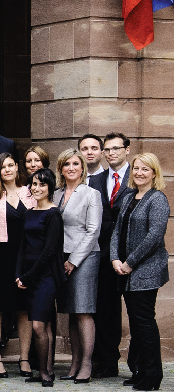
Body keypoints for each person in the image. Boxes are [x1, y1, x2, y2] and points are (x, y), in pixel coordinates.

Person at [109, 153, 168, 391]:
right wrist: (114, 257)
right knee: (135, 323)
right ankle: (140, 370)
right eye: (136, 168)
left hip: (145, 270)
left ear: (154, 173)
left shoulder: (158, 199)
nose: (139, 173)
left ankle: (153, 375)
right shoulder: (129, 196)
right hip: (124, 269)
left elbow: (154, 237)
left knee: (144, 322)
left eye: (145, 169)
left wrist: (130, 262)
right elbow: (117, 230)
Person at [0, 153, 35, 379]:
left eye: (11, 165)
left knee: (24, 308)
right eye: (3, 167)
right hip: (0, 256)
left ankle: (24, 358)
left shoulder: (29, 191)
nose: (7, 170)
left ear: (17, 168)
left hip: (25, 256)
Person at [53, 149, 101, 383]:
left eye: (75, 164)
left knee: (83, 310)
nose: (71, 168)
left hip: (85, 256)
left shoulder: (91, 194)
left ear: (82, 168)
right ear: (61, 169)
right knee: (71, 311)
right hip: (60, 257)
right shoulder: (56, 194)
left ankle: (86, 364)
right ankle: (74, 362)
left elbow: (93, 231)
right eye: (66, 164)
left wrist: (74, 260)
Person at [15, 168, 64, 387]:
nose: (36, 188)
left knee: (39, 326)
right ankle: (45, 369)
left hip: (45, 277)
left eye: (42, 184)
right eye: (33, 184)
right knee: (42, 327)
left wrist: (29, 276)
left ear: (50, 188)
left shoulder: (53, 214)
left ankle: (45, 373)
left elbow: (50, 250)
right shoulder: (29, 212)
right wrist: (18, 274)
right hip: (27, 275)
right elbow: (22, 247)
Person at [89, 133, 130, 378]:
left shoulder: (136, 177)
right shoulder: (97, 181)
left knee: (137, 312)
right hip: (103, 255)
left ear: (127, 149)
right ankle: (107, 361)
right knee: (105, 310)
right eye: (108, 149)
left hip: (131, 254)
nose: (112, 153)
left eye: (117, 148)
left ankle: (139, 363)